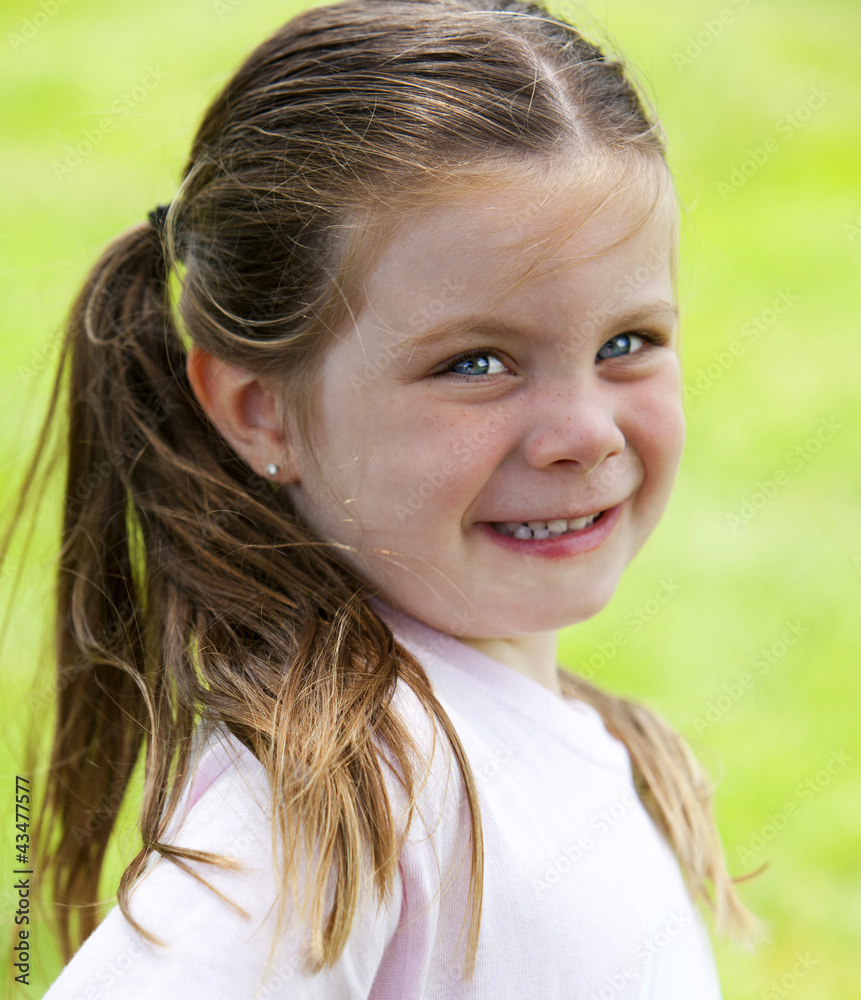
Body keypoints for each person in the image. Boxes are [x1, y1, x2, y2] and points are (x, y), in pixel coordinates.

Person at [5, 0, 765, 995]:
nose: (585, 433)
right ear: (261, 413)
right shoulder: (345, 799)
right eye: (476, 362)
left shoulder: (520, 739)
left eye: (627, 342)